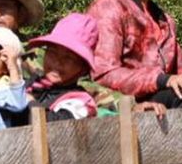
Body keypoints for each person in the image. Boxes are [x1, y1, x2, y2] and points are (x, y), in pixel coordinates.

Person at [26, 13, 166, 121]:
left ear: (82, 68)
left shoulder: (80, 102)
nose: (57, 62)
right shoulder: (30, 85)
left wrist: (28, 102)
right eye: (52, 53)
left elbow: (53, 125)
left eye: (69, 58)